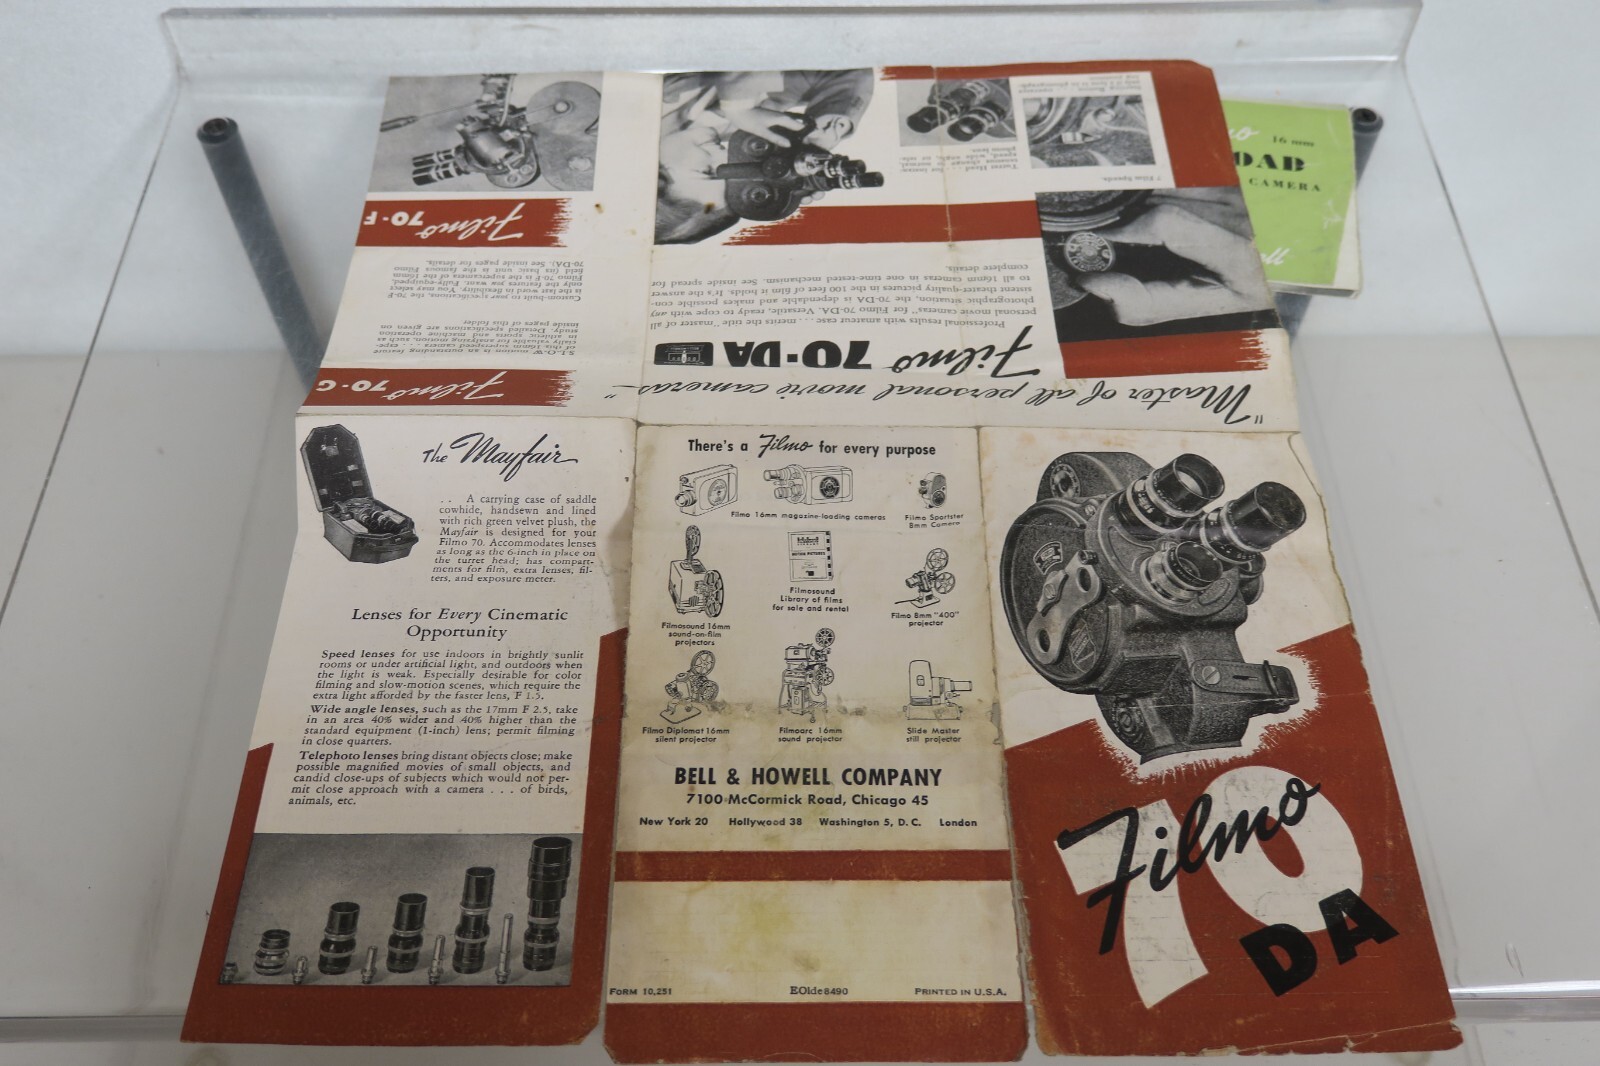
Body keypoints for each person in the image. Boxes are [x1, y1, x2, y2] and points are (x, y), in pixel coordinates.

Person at [655, 69, 874, 244]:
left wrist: (737, 105)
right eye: (732, 176)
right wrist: (827, 124)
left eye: (706, 171)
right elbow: (847, 67)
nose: (723, 156)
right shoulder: (751, 122)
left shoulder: (650, 97)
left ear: (655, 178)